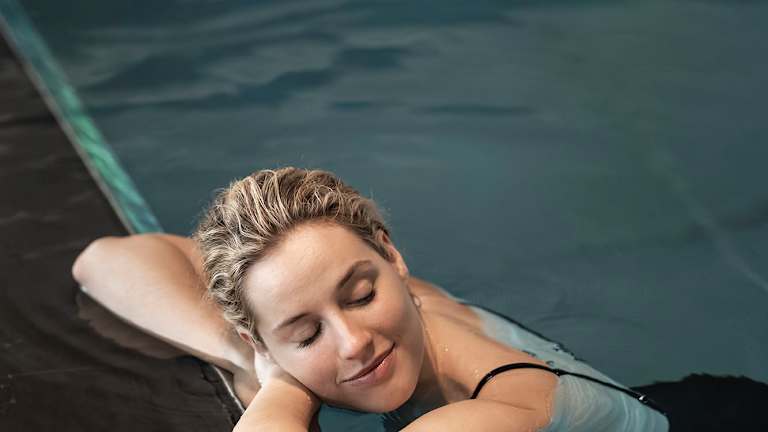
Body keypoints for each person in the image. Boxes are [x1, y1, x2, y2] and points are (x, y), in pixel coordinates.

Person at [72, 167, 669, 431]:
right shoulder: (281, 330)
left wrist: (281, 386)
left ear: (392, 255)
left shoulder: (477, 412)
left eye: (360, 295)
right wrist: (251, 360)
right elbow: (103, 261)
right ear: (262, 337)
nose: (354, 342)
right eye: (306, 332)